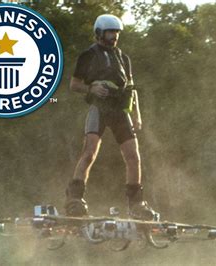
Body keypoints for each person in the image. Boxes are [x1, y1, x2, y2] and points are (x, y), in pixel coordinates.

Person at [64, 14, 159, 221]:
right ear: (99, 33)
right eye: (110, 32)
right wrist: (92, 87)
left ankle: (136, 204)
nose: (114, 36)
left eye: (116, 32)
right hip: (99, 109)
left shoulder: (123, 58)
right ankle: (74, 199)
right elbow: (74, 84)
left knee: (133, 156)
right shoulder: (88, 55)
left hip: (120, 111)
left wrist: (137, 115)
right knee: (89, 153)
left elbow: (132, 89)